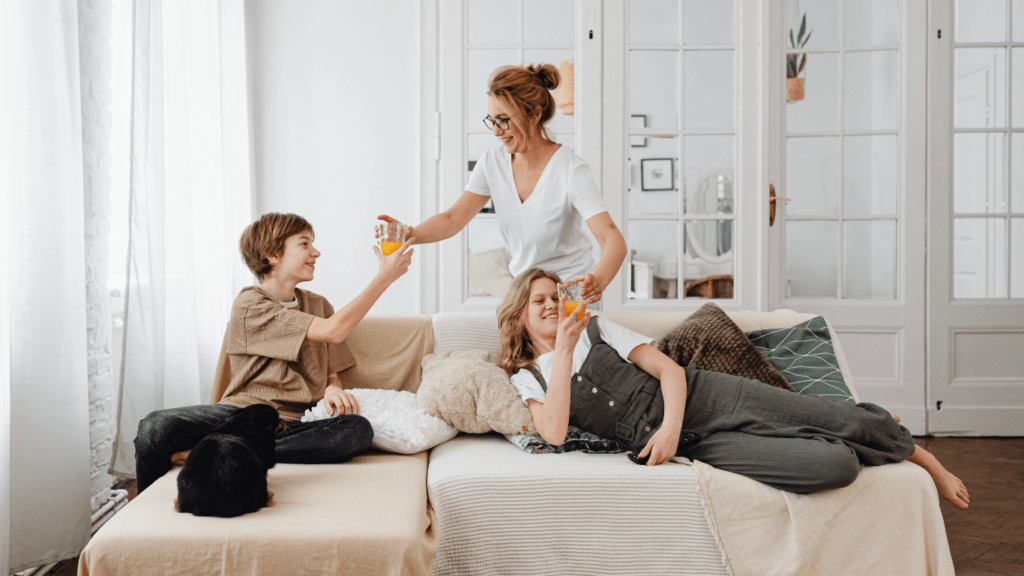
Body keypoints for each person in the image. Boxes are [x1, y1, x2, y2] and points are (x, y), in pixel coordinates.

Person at [496, 268, 971, 509]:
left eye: (557, 295)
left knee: (829, 416)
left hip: (703, 396)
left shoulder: (600, 329)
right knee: (834, 467)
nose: (552, 304)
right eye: (539, 300)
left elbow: (672, 373)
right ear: (520, 313)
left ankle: (917, 454)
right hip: (699, 446)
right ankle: (864, 438)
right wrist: (561, 351)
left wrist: (668, 429)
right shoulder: (527, 377)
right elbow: (554, 433)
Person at [134, 212, 414, 493]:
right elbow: (333, 331)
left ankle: (221, 450)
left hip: (297, 422)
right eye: (304, 244)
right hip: (243, 416)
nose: (315, 252)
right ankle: (144, 515)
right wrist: (385, 276)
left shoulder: (319, 306)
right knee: (154, 427)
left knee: (356, 430)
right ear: (272, 254)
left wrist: (332, 389)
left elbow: (332, 373)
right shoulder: (250, 304)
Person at [378, 63, 627, 304]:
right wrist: (411, 234)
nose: (496, 131)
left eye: (504, 120)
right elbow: (453, 219)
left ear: (534, 115)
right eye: (492, 120)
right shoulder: (492, 162)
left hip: (569, 294)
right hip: (525, 293)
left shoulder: (570, 170)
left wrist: (598, 280)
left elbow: (612, 239)